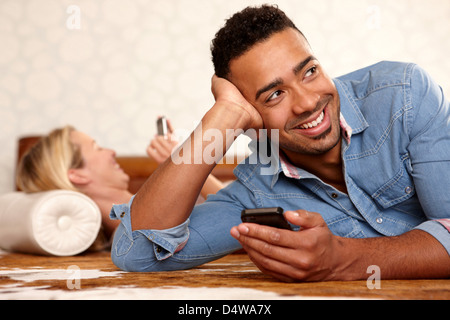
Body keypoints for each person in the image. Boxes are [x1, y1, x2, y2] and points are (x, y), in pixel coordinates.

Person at [110, 5, 450, 281]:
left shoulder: (403, 96)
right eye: (274, 95)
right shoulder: (258, 188)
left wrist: (342, 260)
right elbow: (136, 252)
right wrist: (223, 116)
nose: (305, 102)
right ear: (250, 119)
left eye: (309, 71)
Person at [16, 124, 223, 242]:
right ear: (77, 176)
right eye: (97, 148)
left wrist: (181, 163)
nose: (111, 151)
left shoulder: (159, 201)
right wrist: (183, 159)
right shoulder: (132, 233)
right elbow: (240, 211)